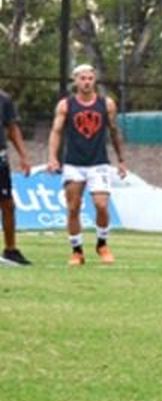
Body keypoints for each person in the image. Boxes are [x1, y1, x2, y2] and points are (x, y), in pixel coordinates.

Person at [47, 64, 128, 265]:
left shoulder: (106, 104)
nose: (86, 82)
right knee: (73, 207)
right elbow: (56, 131)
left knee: (101, 204)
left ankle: (102, 244)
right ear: (75, 80)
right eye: (82, 78)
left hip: (98, 162)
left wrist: (121, 159)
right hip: (74, 163)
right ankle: (77, 251)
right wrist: (52, 157)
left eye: (90, 78)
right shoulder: (66, 105)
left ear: (94, 80)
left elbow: (114, 131)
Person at [0, 89, 33, 266]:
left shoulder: (4, 98)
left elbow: (12, 128)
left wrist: (23, 156)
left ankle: (10, 250)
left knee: (7, 204)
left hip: (0, 158)